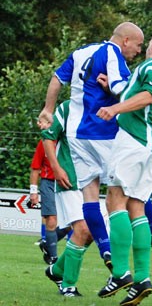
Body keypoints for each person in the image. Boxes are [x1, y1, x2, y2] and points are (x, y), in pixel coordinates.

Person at [37, 22, 144, 266]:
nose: (138, 51)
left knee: (90, 197)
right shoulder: (113, 54)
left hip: (77, 136)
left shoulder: (80, 53)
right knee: (130, 189)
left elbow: (56, 79)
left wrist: (48, 109)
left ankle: (105, 250)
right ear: (125, 40)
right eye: (138, 45)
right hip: (103, 132)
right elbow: (124, 90)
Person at [97, 31, 152, 306]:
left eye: (147, 44)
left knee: (114, 200)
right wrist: (114, 87)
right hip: (146, 142)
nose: (144, 48)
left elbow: (147, 95)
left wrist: (116, 108)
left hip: (133, 139)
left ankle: (120, 273)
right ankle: (142, 278)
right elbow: (137, 89)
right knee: (136, 206)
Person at [42, 100, 110, 297]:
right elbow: (48, 135)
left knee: (89, 233)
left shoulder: (103, 109)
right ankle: (68, 286)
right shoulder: (68, 107)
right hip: (68, 178)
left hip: (91, 182)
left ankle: (56, 271)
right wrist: (55, 168)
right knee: (83, 229)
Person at [30, 140, 70, 264]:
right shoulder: (44, 142)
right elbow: (35, 168)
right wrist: (33, 191)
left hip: (68, 184)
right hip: (48, 183)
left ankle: (47, 243)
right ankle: (53, 257)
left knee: (74, 222)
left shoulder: (71, 139)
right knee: (51, 219)